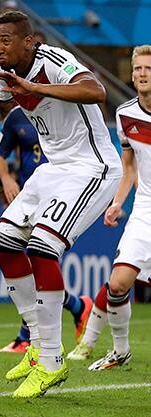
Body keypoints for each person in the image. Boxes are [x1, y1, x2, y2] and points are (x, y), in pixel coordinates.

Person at [0, 10, 122, 398]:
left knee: (42, 247)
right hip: (53, 169)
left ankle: (51, 360)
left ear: (29, 42)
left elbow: (96, 92)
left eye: (6, 41)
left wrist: (33, 87)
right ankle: (39, 344)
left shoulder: (55, 62)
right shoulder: (7, 75)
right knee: (1, 242)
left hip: (92, 167)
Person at [69, 45, 151, 369]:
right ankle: (120, 350)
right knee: (118, 283)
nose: (143, 74)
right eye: (138, 69)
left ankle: (90, 341)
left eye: (148, 68)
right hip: (145, 208)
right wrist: (118, 202)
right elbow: (129, 166)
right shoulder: (125, 115)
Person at [0, 108, 93, 354]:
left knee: (39, 260)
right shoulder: (16, 116)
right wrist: (6, 178)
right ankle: (77, 307)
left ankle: (28, 337)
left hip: (63, 195)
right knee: (23, 261)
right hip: (31, 196)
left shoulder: (66, 108)